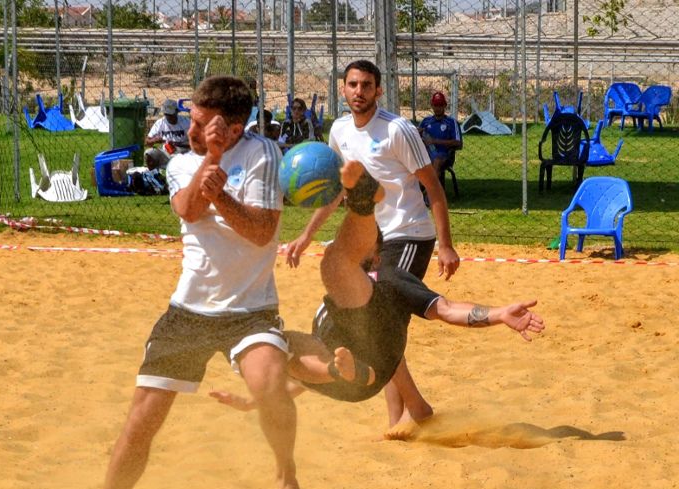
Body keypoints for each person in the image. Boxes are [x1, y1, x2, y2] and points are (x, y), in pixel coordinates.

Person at [79, 76, 303, 489]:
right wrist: (214, 159)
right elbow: (187, 207)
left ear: (234, 124)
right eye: (195, 119)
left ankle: (285, 471)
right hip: (189, 312)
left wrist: (224, 193)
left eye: (203, 123)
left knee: (269, 385)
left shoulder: (264, 152)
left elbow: (263, 234)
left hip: (250, 311)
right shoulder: (184, 160)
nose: (192, 129)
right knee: (140, 425)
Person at [212, 161, 544, 413]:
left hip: (372, 366)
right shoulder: (336, 302)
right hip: (345, 379)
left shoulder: (390, 278)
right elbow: (312, 369)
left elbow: (445, 309)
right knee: (276, 343)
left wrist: (500, 313)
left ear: (376, 254)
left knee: (336, 266)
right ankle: (363, 199)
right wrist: (261, 400)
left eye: (366, 248)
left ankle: (363, 200)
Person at [284, 59, 461, 439]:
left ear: (378, 90)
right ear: (343, 89)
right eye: (353, 85)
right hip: (371, 239)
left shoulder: (398, 130)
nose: (359, 91)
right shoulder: (339, 130)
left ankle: (409, 411)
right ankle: (409, 412)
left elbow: (433, 187)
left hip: (409, 233)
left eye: (367, 85)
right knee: (369, 320)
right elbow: (335, 192)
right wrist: (306, 236)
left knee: (381, 319)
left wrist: (445, 245)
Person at [418, 91, 463, 182]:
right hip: (426, 153)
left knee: (437, 161)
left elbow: (459, 144)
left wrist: (435, 141)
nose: (437, 108)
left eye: (440, 105)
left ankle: (430, 193)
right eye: (435, 105)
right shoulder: (426, 121)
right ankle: (418, 190)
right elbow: (415, 137)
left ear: (445, 105)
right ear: (432, 105)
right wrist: (416, 133)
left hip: (444, 155)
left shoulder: (451, 122)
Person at [144, 99, 191, 170]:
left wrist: (178, 144)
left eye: (170, 114)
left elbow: (196, 143)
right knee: (149, 153)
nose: (168, 117)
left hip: (183, 152)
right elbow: (147, 141)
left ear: (176, 112)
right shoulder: (160, 123)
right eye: (166, 114)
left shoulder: (186, 122)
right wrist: (155, 140)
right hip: (166, 152)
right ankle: (153, 175)